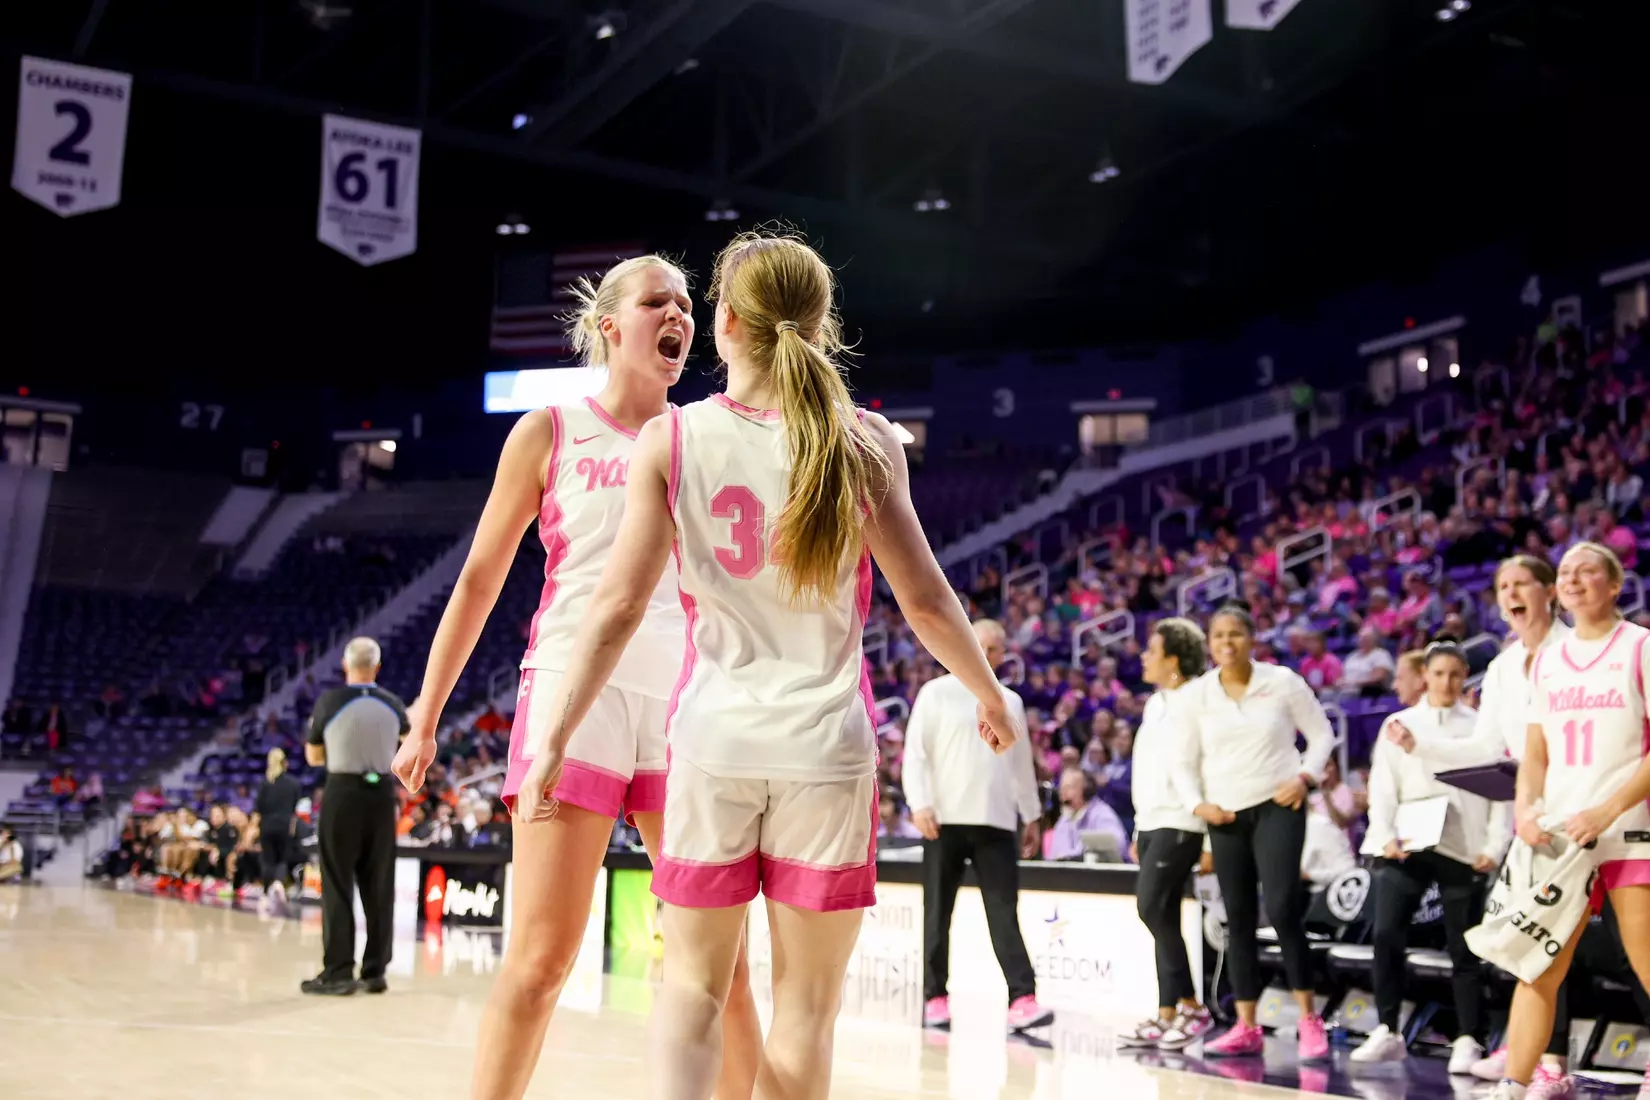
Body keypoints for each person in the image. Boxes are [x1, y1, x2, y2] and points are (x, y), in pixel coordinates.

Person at [507, 230, 1025, 1100]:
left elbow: (617, 609)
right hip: (825, 750)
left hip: (712, 743)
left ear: (728, 323)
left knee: (694, 993)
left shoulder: (674, 440)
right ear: (820, 327)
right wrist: (988, 693)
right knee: (806, 1012)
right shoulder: (864, 442)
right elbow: (930, 603)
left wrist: (554, 738)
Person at [390, 253, 760, 1100]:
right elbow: (481, 578)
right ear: (609, 325)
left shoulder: (706, 432)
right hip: (569, 693)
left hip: (683, 703)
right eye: (656, 302)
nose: (678, 315)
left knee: (724, 966)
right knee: (542, 960)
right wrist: (427, 711)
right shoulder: (551, 430)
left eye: (686, 306)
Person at [1386, 555, 1577, 1083]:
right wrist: (1418, 744)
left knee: (1631, 945)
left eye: (1521, 583)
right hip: (1533, 817)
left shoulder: (1578, 653)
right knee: (1538, 942)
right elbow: (1484, 746)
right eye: (1502, 585)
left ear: (1549, 593)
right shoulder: (1500, 668)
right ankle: (1541, 1057)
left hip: (1587, 806)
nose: (1511, 593)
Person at [1488, 543, 1650, 1100]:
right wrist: (1525, 808)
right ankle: (1515, 1082)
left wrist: (1607, 810)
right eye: (1565, 573)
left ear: (1614, 585)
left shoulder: (1641, 648)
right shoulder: (1549, 661)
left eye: (1588, 571)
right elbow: (1535, 753)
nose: (1575, 580)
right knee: (1538, 967)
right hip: (1561, 835)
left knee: (1647, 959)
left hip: (1629, 829)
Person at [1186, 599, 1336, 1061]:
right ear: (1209, 645)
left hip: (1278, 805)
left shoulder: (1282, 682)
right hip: (1227, 815)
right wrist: (1199, 803)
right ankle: (1246, 1026)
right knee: (1239, 918)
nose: (1226, 643)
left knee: (1285, 905)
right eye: (1218, 636)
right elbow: (1182, 759)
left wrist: (1306, 777)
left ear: (1252, 639)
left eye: (1235, 634)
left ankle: (1310, 1019)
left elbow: (1322, 735)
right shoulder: (1199, 694)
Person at [1353, 642, 1510, 1071]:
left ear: (1465, 678)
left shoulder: (1481, 727)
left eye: (1455, 674)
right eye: (1439, 673)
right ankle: (1387, 1028)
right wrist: (1383, 834)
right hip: (1408, 843)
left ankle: (1468, 1037)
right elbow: (1383, 787)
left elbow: (1501, 792)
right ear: (1426, 675)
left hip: (1464, 846)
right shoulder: (1399, 723)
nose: (1447, 682)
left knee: (1465, 947)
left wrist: (1493, 846)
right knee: (1386, 934)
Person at [903, 618, 1049, 1033]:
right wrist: (920, 804)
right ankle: (935, 996)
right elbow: (915, 755)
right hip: (943, 821)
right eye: (981, 646)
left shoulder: (1011, 702)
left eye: (996, 649)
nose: (988, 655)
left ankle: (1022, 998)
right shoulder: (935, 694)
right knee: (938, 913)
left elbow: (1021, 764)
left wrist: (1031, 814)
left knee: (1004, 912)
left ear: (1004, 654)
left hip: (997, 821)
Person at [1116, 618, 1217, 1051]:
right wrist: (1139, 825)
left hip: (1185, 820)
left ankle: (1194, 1007)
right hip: (1154, 821)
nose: (1144, 657)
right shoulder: (1156, 704)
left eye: (1151, 651)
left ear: (1173, 658)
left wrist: (1210, 839)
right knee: (1165, 916)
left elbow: (1209, 767)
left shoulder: (1199, 699)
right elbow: (1149, 769)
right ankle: (1166, 1014)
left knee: (1151, 908)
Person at [302, 636, 409, 996]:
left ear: (346, 666)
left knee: (337, 880)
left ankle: (338, 971)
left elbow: (314, 757)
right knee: (379, 884)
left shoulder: (330, 702)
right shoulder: (394, 704)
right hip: (382, 797)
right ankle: (375, 971)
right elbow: (407, 749)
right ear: (377, 668)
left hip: (342, 792)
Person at [254, 747, 301, 913]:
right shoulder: (294, 784)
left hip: (267, 826)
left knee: (268, 859)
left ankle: (266, 891)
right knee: (282, 858)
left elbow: (258, 810)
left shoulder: (265, 784)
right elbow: (294, 810)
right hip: (284, 825)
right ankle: (279, 883)